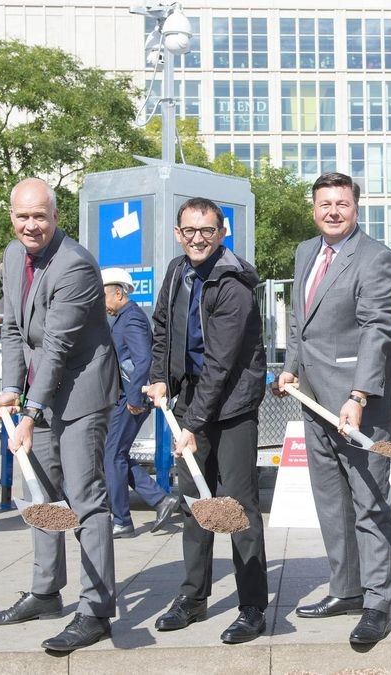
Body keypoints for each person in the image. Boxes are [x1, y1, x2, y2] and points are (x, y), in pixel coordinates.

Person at [0, 177, 120, 653]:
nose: (31, 225)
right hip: (41, 391)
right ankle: (45, 593)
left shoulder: (76, 266)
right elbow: (16, 332)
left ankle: (96, 611)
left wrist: (31, 410)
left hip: (81, 392)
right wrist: (9, 394)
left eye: (40, 215)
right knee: (39, 493)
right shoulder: (12, 256)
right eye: (23, 216)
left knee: (84, 500)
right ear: (12, 217)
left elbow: (58, 346)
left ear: (56, 217)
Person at [273, 171, 391, 645]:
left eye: (341, 204)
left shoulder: (377, 259)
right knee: (331, 503)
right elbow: (298, 323)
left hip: (358, 404)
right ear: (314, 209)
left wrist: (359, 396)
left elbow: (376, 331)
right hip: (312, 400)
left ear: (356, 208)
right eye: (325, 203)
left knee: (369, 502)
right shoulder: (306, 252)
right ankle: (345, 589)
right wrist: (289, 368)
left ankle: (377, 601)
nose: (332, 211)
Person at [144, 198, 269, 644]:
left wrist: (192, 425)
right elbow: (161, 328)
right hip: (190, 400)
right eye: (190, 231)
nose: (198, 239)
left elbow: (221, 364)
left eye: (208, 231)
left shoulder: (233, 284)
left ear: (222, 232)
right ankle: (193, 598)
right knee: (196, 505)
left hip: (232, 407)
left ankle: (252, 606)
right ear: (179, 233)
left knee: (236, 508)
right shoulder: (177, 272)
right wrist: (159, 378)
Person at [101, 267, 179, 539]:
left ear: (118, 293)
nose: (102, 302)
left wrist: (134, 398)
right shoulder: (123, 317)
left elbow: (143, 360)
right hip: (126, 397)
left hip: (131, 398)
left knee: (113, 455)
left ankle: (122, 520)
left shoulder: (131, 318)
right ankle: (160, 500)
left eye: (103, 296)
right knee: (115, 456)